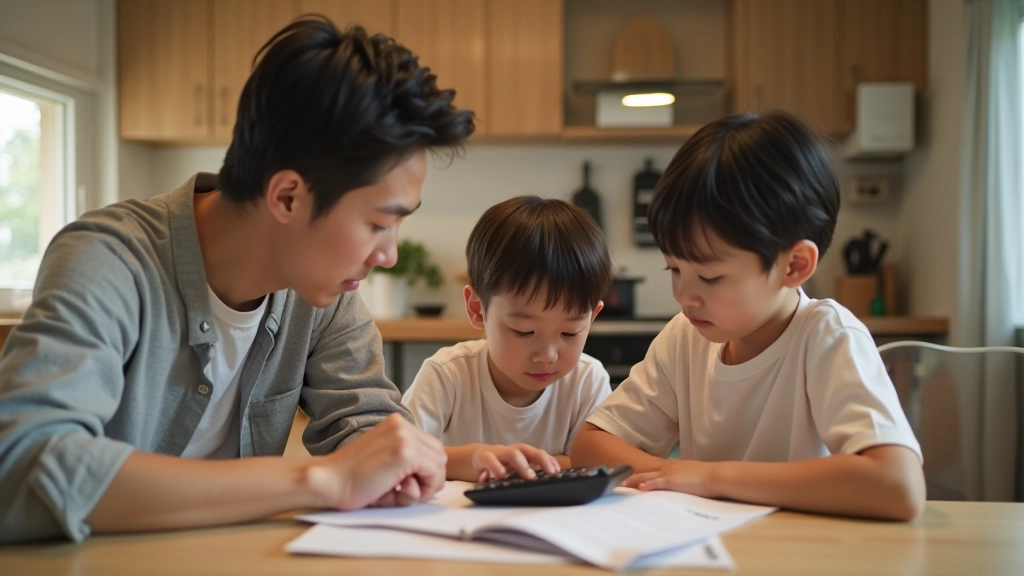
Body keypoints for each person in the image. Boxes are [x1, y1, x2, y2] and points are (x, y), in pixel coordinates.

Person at [0, 17, 474, 543]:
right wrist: (324, 480)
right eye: (379, 224)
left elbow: (368, 433)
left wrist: (398, 464)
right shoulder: (109, 261)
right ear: (288, 196)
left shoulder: (326, 295)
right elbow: (23, 467)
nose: (388, 254)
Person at [571, 112, 925, 521]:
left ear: (794, 266)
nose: (684, 295)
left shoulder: (827, 336)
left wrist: (710, 478)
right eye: (674, 269)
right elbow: (591, 444)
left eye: (709, 276)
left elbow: (898, 486)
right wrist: (675, 473)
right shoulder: (685, 336)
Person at [403, 196, 614, 482]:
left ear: (593, 317)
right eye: (524, 331)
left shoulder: (588, 381)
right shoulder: (448, 375)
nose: (548, 355)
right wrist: (473, 459)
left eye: (570, 333)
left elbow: (598, 465)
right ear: (477, 309)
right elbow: (402, 455)